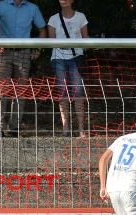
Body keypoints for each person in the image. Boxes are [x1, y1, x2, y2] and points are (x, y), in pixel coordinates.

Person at [0, 0, 47, 137]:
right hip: (3, 52)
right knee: (1, 89)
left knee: (20, 91)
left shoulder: (33, 8)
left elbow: (42, 30)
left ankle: (14, 128)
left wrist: (38, 49)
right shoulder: (0, 6)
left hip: (23, 52)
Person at [48, 0, 89, 137]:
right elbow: (51, 41)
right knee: (63, 92)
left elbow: (85, 38)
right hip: (58, 58)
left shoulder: (81, 17)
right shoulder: (53, 19)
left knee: (78, 92)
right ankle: (66, 127)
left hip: (76, 57)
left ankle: (81, 128)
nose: (63, 1)